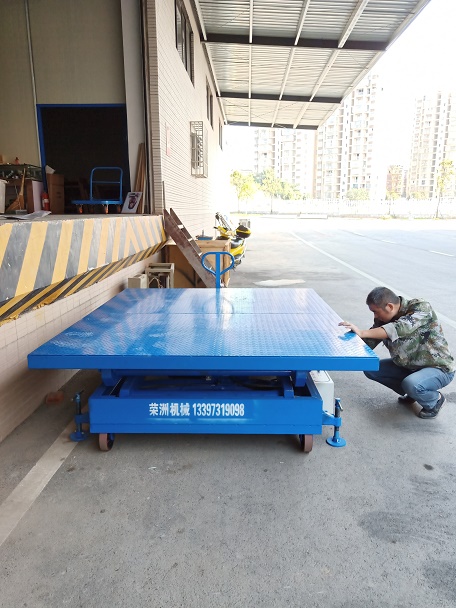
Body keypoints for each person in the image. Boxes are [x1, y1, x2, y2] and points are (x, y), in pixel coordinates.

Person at [339, 286, 455, 419]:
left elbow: (399, 328)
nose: (375, 316)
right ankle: (413, 392)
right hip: (410, 367)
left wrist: (362, 332)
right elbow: (369, 341)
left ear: (389, 306)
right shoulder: (383, 319)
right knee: (371, 368)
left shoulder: (420, 307)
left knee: (412, 384)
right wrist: (345, 344)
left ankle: (434, 400)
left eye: (376, 312)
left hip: (438, 368)